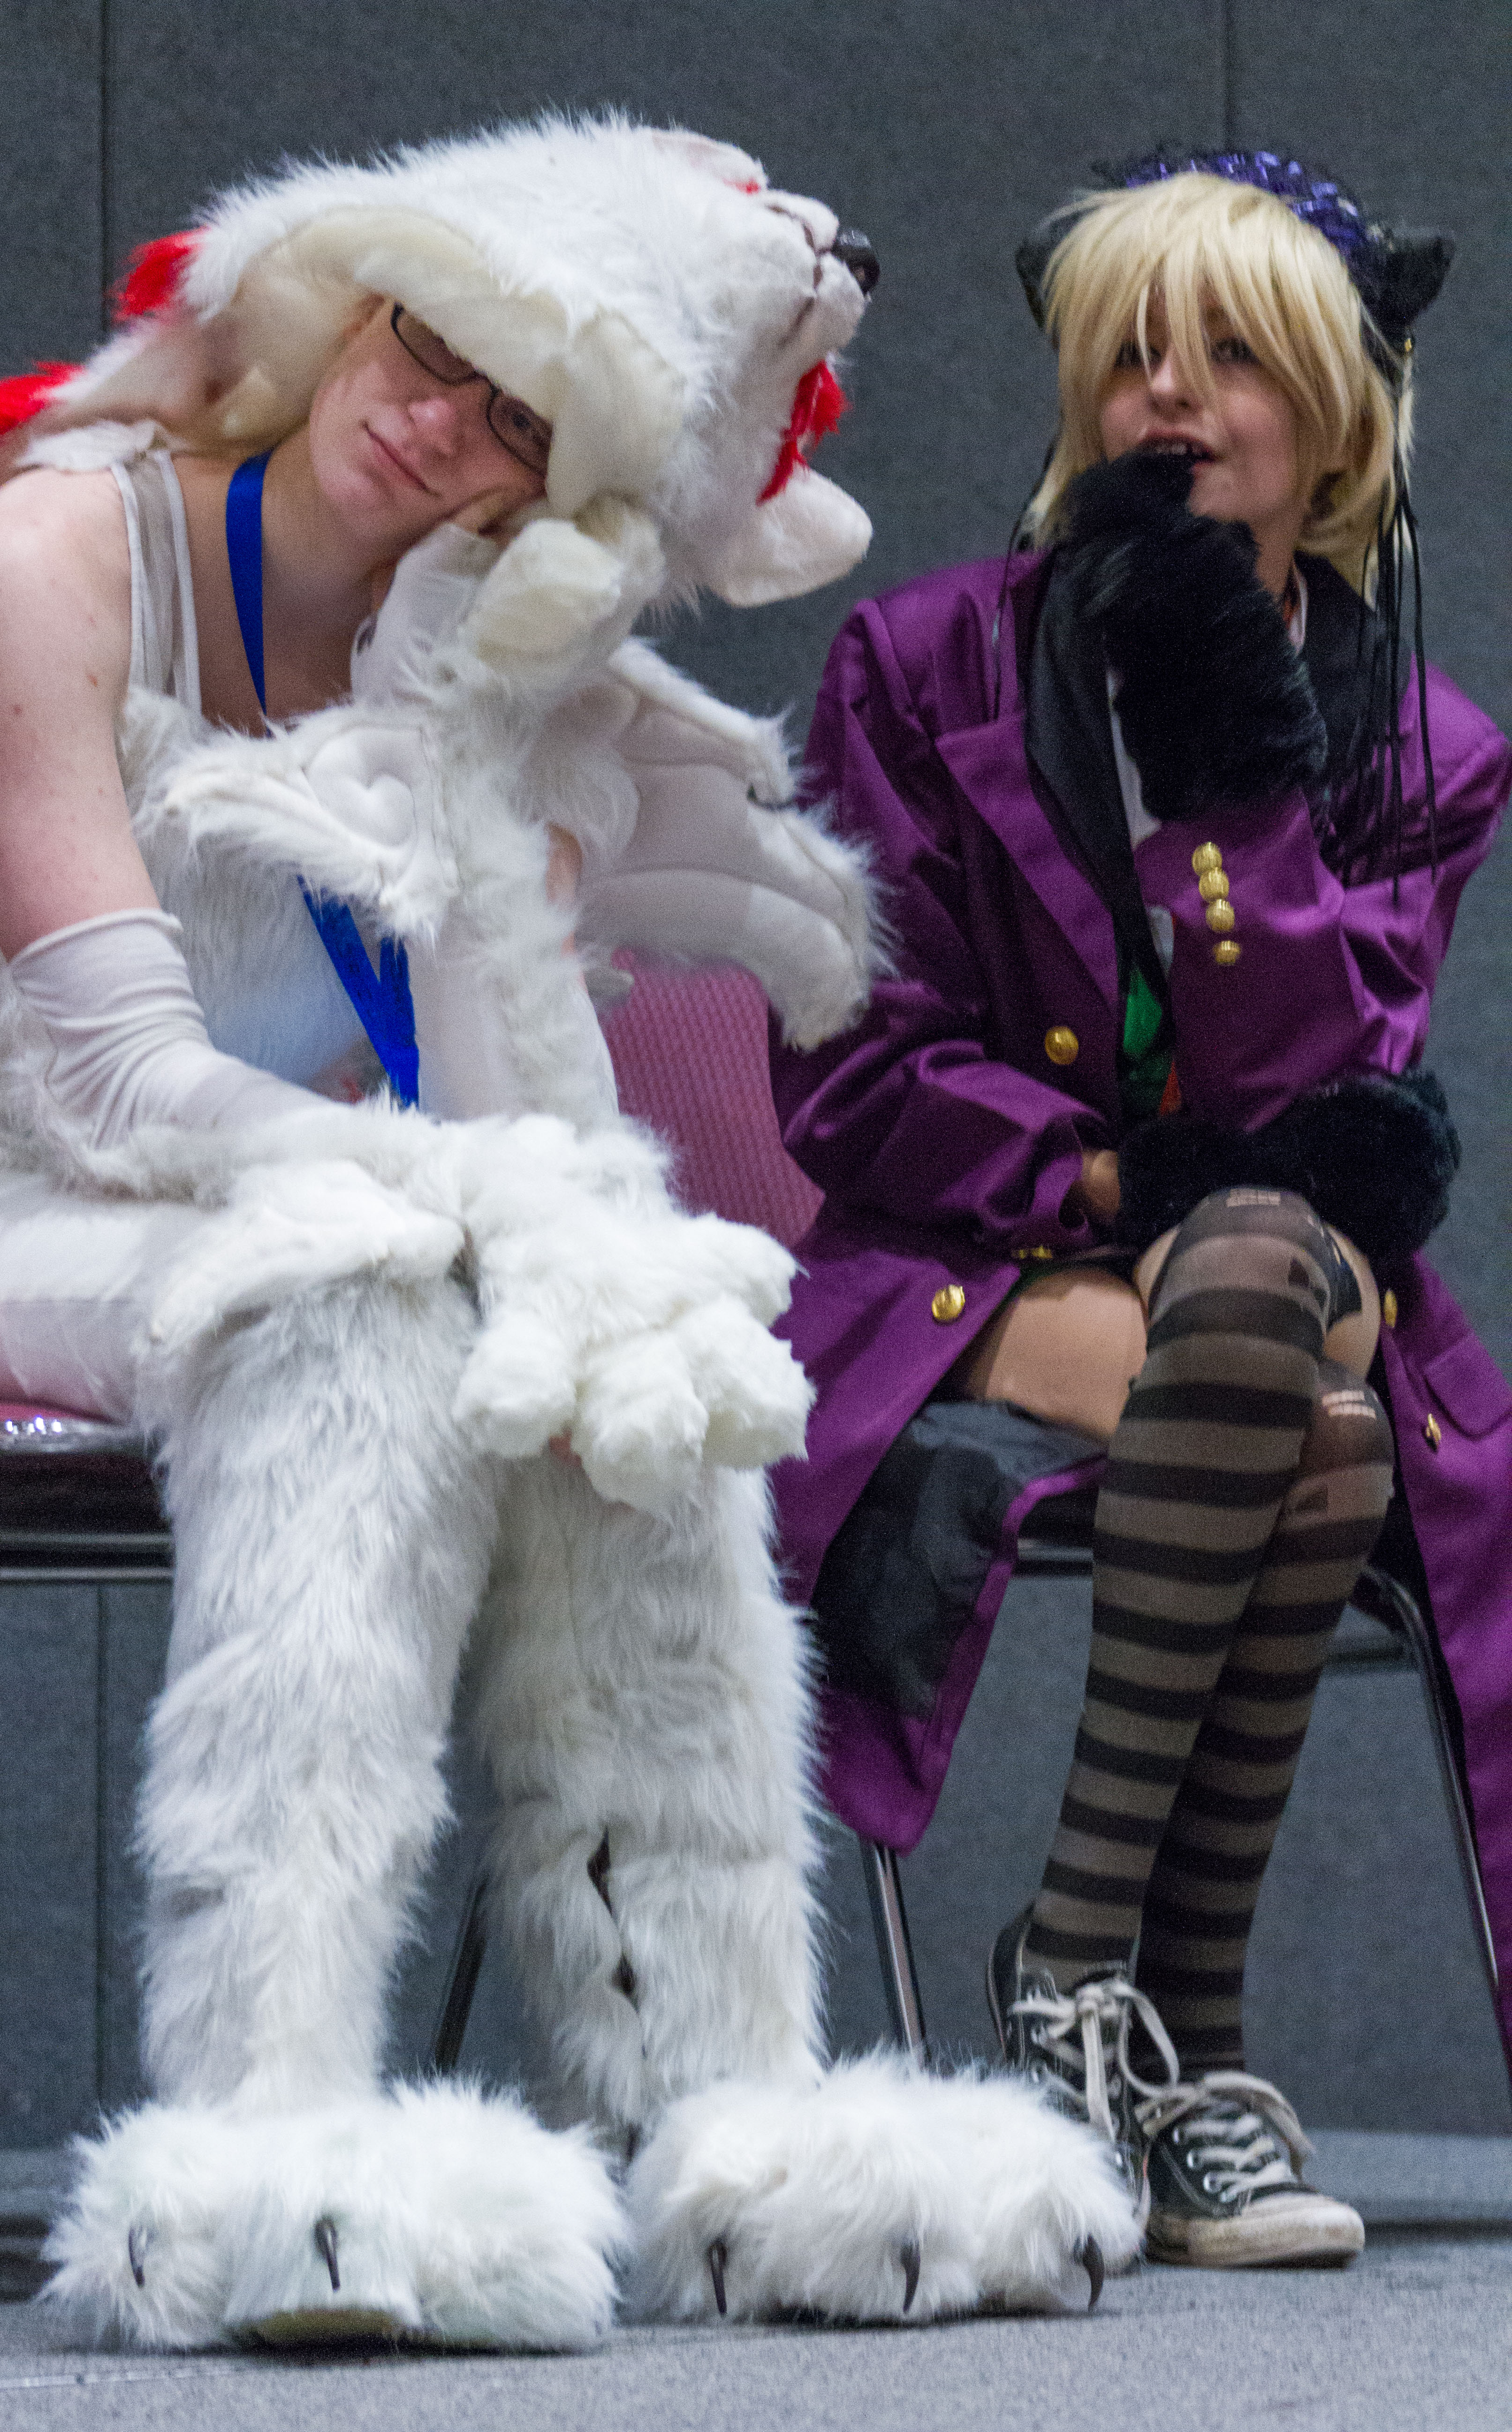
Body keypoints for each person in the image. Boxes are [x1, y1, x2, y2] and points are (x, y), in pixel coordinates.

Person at [0, 118, 1138, 2348]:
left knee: (628, 1333)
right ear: (353, 304)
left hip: (301, 1197)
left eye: (520, 423)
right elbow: (108, 1084)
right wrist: (461, 1193)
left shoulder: (486, 650)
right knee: (362, 1297)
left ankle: (728, 2118)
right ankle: (260, 2130)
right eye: (428, 343)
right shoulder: (53, 552)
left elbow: (502, 1101)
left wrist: (559, 1228)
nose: (435, 415)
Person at [770, 152, 1512, 2271]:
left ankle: (1073, 1970)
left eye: (1232, 359)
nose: (1169, 400)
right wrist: (1113, 1181)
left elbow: (1321, 1091)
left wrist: (1222, 772)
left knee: (1271, 1284)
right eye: (1130, 359)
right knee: (1323, 1425)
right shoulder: (922, 663)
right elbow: (853, 1072)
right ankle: (1182, 2038)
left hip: (1268, 1262)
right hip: (976, 1257)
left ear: (1337, 420)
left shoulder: (1431, 743)